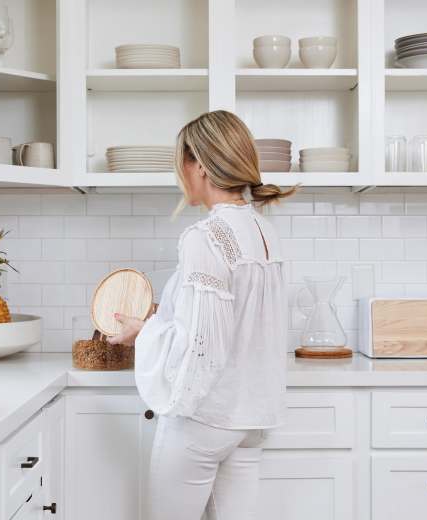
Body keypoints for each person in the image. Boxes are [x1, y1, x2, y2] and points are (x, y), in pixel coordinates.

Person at [108, 110, 296, 520]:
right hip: (250, 418)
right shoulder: (265, 231)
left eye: (182, 161)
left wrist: (144, 333)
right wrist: (164, 319)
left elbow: (202, 346)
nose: (180, 172)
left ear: (202, 166)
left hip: (205, 418)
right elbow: (237, 319)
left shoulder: (205, 236)